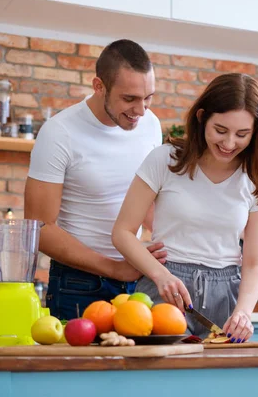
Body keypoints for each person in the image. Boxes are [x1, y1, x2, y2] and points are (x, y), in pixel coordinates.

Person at [111, 73, 258, 342]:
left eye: (242, 134)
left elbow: (255, 263)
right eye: (220, 130)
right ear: (201, 118)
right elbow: (122, 232)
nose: (229, 143)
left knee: (216, 384)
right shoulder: (165, 160)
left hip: (227, 296)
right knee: (158, 381)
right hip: (165, 287)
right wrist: (160, 276)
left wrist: (244, 313)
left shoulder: (257, 180)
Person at [24, 39, 167, 320]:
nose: (141, 110)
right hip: (77, 285)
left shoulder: (150, 125)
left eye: (148, 97)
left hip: (137, 279)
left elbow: (148, 204)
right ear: (99, 86)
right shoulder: (59, 133)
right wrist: (115, 268)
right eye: (129, 99)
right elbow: (39, 229)